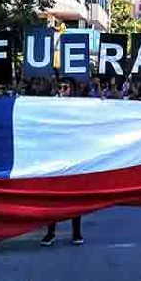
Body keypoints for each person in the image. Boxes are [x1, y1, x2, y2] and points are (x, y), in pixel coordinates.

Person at [41, 77, 83, 247]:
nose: (62, 90)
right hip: (55, 157)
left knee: (75, 197)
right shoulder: (52, 105)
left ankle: (76, 232)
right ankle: (50, 233)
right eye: (60, 87)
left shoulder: (79, 107)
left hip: (74, 157)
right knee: (52, 197)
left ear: (71, 89)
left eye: (65, 87)